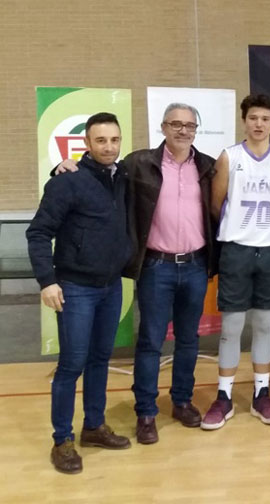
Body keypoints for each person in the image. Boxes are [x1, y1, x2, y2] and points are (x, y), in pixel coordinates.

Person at [55, 103, 218, 444]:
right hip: (155, 266)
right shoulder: (138, 164)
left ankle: (182, 400)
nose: (182, 130)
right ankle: (145, 411)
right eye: (175, 123)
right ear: (162, 127)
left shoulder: (208, 167)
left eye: (189, 125)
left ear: (196, 130)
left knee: (189, 340)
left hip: (195, 265)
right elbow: (100, 175)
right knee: (151, 341)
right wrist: (61, 166)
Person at [28, 112, 132, 474]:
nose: (108, 147)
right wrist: (47, 281)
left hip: (110, 286)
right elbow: (38, 233)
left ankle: (93, 426)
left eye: (114, 140)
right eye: (100, 140)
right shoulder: (67, 181)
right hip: (74, 288)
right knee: (71, 365)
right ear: (86, 144)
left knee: (100, 360)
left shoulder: (122, 177)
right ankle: (62, 439)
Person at [201, 94, 270, 429]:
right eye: (253, 118)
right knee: (231, 327)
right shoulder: (229, 157)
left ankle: (261, 394)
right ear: (245, 121)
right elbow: (216, 205)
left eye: (265, 119)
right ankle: (224, 397)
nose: (259, 124)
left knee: (264, 325)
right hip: (237, 250)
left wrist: (263, 232)